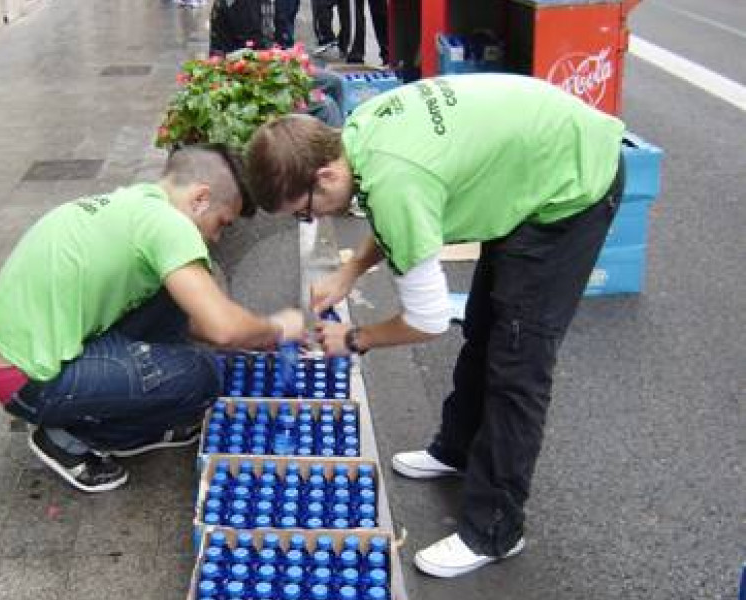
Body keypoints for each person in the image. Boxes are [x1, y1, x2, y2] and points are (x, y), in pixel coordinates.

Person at [244, 74, 625, 578]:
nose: (308, 222)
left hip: (569, 186)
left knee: (519, 361)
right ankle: (458, 449)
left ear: (324, 178)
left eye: (302, 213)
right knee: (487, 323)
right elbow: (395, 214)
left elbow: (426, 321)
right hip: (528, 168)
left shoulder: (395, 179)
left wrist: (355, 339)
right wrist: (349, 271)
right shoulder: (356, 136)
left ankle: (495, 531)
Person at [0, 144, 304, 493]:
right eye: (222, 223)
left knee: (173, 298)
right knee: (203, 375)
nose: (216, 237)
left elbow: (202, 319)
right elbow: (222, 328)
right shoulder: (168, 225)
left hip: (35, 356)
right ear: (200, 199)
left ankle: (121, 406)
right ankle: (71, 437)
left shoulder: (135, 203)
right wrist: (280, 327)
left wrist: (248, 336)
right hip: (28, 381)